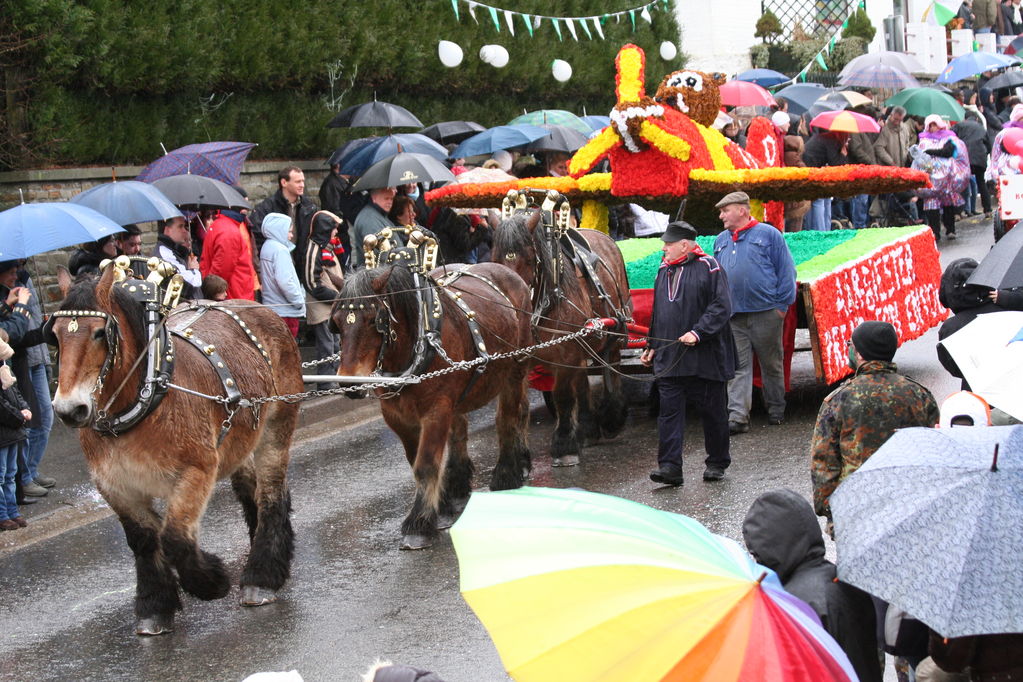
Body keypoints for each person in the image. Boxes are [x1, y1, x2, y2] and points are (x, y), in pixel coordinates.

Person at [743, 489, 882, 682]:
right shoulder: (842, 578)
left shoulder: (796, 605)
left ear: (770, 548)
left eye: (756, 552)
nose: (755, 559)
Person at [811, 321, 939, 523]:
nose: (848, 350)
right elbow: (934, 450)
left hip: (857, 508)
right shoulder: (919, 394)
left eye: (850, 345)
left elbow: (825, 461)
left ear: (860, 354)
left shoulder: (839, 400)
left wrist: (828, 509)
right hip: (910, 504)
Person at [641, 221, 736, 485]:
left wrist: (698, 332)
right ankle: (670, 468)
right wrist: (651, 344)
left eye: (668, 244)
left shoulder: (711, 268)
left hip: (705, 358)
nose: (664, 249)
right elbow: (659, 311)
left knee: (713, 412)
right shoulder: (663, 269)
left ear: (684, 245)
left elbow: (721, 307)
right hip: (671, 358)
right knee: (668, 412)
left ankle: (717, 462)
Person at [712, 191, 796, 434]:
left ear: (742, 210)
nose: (721, 216)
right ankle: (738, 417)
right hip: (734, 316)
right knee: (738, 367)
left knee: (771, 364)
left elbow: (786, 272)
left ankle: (776, 410)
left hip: (766, 313)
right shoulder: (720, 240)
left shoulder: (769, 234)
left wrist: (781, 307)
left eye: (725, 210)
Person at [302, 211, 346, 389]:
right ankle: (326, 381)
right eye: (333, 228)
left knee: (335, 343)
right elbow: (312, 283)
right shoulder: (314, 249)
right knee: (326, 345)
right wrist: (337, 297)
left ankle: (335, 376)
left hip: (332, 306)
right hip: (322, 307)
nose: (336, 232)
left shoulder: (327, 247)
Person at [911, 115, 970, 241]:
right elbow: (919, 158)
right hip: (931, 180)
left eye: (935, 124)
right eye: (930, 125)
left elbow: (948, 152)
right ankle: (935, 233)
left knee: (948, 205)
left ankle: (950, 230)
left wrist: (931, 152)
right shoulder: (924, 141)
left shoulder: (950, 138)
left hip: (947, 179)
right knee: (932, 207)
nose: (933, 128)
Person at [249, 166, 318, 268]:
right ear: (284, 183)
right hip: (277, 266)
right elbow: (256, 236)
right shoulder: (266, 208)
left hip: (302, 266)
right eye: (298, 182)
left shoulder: (309, 207)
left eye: (303, 181)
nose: (302, 185)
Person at [0, 329, 29, 531]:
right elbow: (2, 406)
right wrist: (20, 416)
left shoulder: (4, 370)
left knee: (10, 474)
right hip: (4, 432)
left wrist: (24, 407)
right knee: (1, 476)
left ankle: (12, 511)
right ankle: (3, 514)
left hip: (11, 432)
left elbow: (15, 393)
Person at [259, 213, 305, 338]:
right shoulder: (280, 250)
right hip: (286, 310)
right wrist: (298, 301)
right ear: (279, 230)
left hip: (272, 307)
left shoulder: (267, 246)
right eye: (289, 232)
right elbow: (285, 281)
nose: (291, 236)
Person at [200, 208, 257, 300]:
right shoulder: (228, 230)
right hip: (233, 295)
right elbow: (221, 270)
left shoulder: (223, 225)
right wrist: (214, 293)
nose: (246, 211)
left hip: (233, 293)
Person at [802, 128, 850, 230]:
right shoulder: (831, 141)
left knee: (825, 201)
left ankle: (824, 230)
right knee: (819, 202)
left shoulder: (826, 138)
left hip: (814, 171)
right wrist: (843, 154)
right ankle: (821, 231)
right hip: (812, 172)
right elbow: (835, 165)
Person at [953, 111, 993, 217]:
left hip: (964, 158)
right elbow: (989, 145)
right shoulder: (981, 127)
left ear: (965, 118)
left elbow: (951, 139)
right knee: (981, 182)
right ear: (976, 119)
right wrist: (985, 154)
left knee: (961, 184)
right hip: (980, 158)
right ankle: (988, 210)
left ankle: (958, 212)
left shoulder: (959, 126)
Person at [154, 216, 202, 299]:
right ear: (168, 230)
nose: (184, 230)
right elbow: (192, 283)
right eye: (180, 226)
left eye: (184, 226)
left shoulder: (175, 250)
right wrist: (194, 270)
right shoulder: (164, 252)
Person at [351, 186, 399, 269]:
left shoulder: (379, 214)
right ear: (374, 198)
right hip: (377, 275)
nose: (390, 202)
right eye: (386, 198)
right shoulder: (369, 219)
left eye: (391, 199)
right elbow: (381, 255)